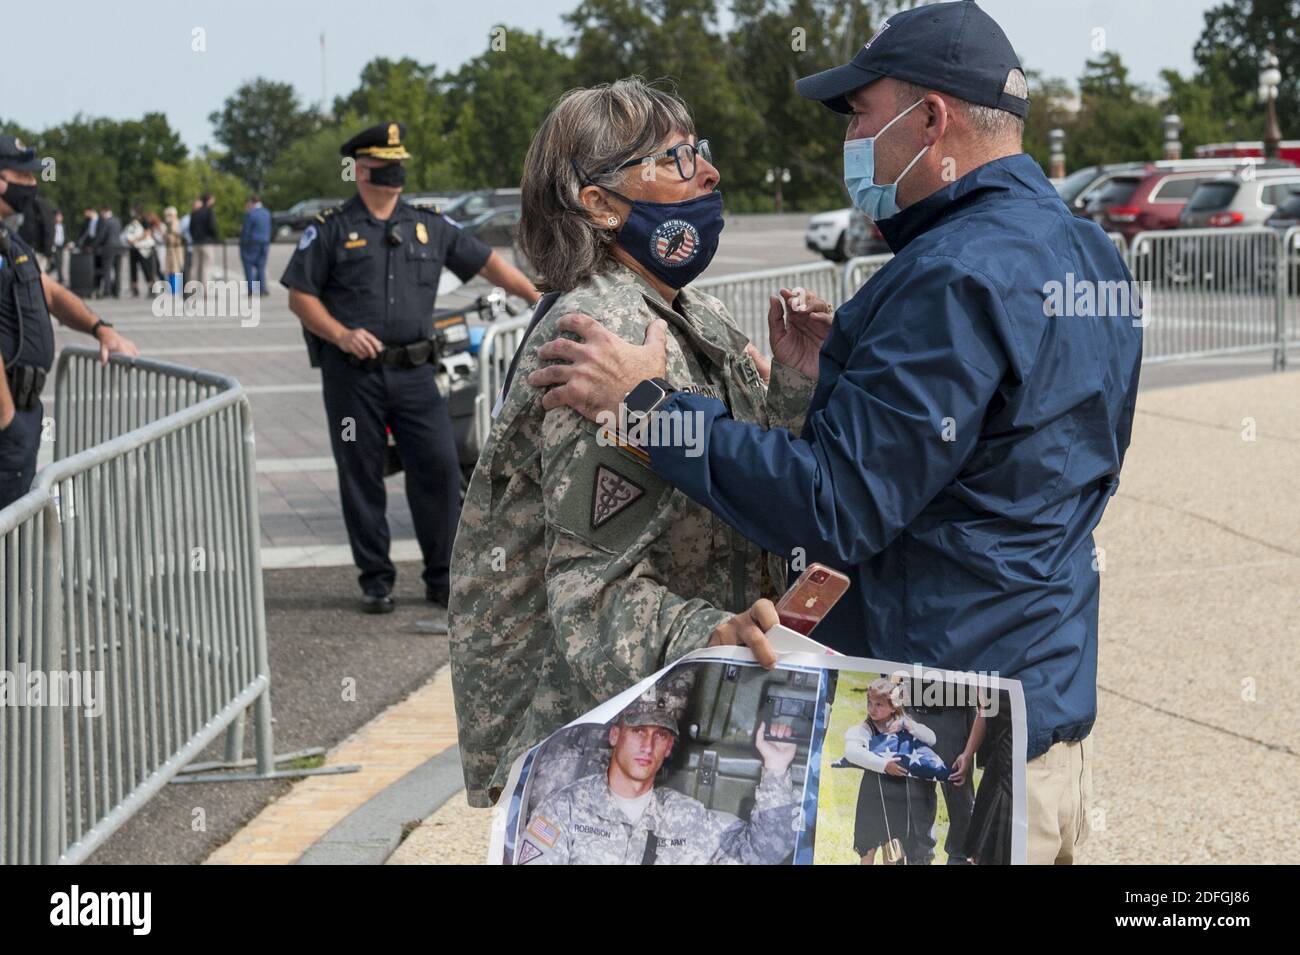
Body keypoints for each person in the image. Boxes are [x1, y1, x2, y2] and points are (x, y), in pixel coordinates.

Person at [527, 0, 1142, 865]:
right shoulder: (1087, 252)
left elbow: (836, 503)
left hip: (945, 747)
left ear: (931, 119)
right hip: (1041, 718)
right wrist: (822, 389)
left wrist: (653, 408)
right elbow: (1045, 468)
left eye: (860, 112)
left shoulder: (951, 276)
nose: (849, 137)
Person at [448, 78, 832, 808]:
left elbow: (735, 486)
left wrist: (793, 385)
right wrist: (709, 630)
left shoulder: (691, 310)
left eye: (703, 152)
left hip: (692, 717)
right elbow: (590, 595)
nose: (709, 174)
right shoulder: (601, 336)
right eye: (678, 159)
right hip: (609, 745)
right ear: (598, 203)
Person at [281, 121, 539, 614]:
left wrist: (537, 297)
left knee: (439, 469)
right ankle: (375, 580)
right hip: (353, 376)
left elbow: (487, 263)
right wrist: (339, 333)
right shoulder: (331, 228)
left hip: (417, 373)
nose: (396, 173)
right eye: (385, 164)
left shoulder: (428, 224)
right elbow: (300, 295)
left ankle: (442, 578)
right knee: (360, 473)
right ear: (360, 169)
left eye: (399, 163)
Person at [521, 670, 800, 864]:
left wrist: (776, 767)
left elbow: (763, 852)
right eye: (638, 731)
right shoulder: (564, 810)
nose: (648, 745)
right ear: (615, 735)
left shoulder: (686, 818)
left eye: (661, 735)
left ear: (668, 748)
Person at [0, 135, 139, 510]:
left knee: (14, 538)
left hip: (22, 411)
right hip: (6, 419)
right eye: (24, 177)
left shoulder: (8, 241)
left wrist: (101, 328)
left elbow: (51, 293)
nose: (32, 186)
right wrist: (6, 419)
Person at [839, 678, 938, 864]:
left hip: (897, 796)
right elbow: (851, 752)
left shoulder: (904, 725)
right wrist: (883, 765)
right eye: (869, 703)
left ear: (894, 706)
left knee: (893, 849)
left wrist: (909, 726)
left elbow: (931, 738)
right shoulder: (867, 727)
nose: (872, 709)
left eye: (879, 705)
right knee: (868, 847)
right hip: (872, 794)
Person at [240, 195, 271, 295]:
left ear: (251, 202)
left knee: (248, 267)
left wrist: (242, 244)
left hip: (252, 243)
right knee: (261, 267)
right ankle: (262, 289)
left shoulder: (251, 214)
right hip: (265, 242)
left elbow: (246, 231)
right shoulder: (266, 212)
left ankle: (252, 289)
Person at [93, 205, 123, 298]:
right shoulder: (118, 221)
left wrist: (94, 245)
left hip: (108, 248)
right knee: (117, 271)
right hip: (118, 247)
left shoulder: (106, 222)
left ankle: (107, 291)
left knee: (107, 270)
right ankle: (117, 291)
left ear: (104, 211)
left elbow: (102, 236)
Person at [189, 193, 218, 287]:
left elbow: (191, 228)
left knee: (195, 266)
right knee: (207, 267)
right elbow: (212, 227)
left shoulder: (195, 213)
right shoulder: (209, 211)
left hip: (196, 242)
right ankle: (206, 289)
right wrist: (213, 237)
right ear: (209, 200)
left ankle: (192, 288)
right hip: (206, 242)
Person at [161, 206, 184, 289]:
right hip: (169, 249)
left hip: (176, 249)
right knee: (170, 269)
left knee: (176, 268)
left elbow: (179, 236)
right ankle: (172, 288)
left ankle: (176, 289)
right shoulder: (168, 225)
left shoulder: (177, 223)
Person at [49, 209, 66, 283]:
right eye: (58, 216)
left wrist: (67, 243)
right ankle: (60, 278)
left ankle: (59, 277)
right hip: (54, 245)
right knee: (57, 262)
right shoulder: (52, 225)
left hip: (61, 245)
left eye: (61, 217)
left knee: (60, 262)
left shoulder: (62, 226)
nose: (60, 218)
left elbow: (64, 236)